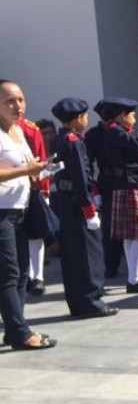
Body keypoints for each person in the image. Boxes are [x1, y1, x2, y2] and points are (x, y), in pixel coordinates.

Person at [0, 80, 55, 349]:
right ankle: (21, 333)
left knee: (22, 272)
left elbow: (26, 166)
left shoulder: (19, 131)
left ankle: (14, 329)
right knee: (9, 273)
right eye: (10, 100)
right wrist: (26, 171)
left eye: (20, 99)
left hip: (19, 208)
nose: (18, 106)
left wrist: (42, 170)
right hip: (1, 212)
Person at [49, 97, 116, 319]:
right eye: (85, 116)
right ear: (77, 119)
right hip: (78, 201)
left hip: (65, 200)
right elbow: (80, 175)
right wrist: (89, 208)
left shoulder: (58, 139)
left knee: (71, 254)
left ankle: (77, 302)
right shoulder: (74, 141)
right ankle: (91, 301)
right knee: (89, 253)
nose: (87, 120)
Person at [100, 97, 138, 294]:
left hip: (130, 183)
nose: (134, 117)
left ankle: (134, 275)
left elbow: (133, 152)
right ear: (121, 115)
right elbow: (137, 143)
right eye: (132, 113)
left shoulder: (117, 131)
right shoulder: (114, 131)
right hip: (129, 186)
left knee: (131, 236)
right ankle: (134, 279)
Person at [19, 116, 50, 297]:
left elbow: (41, 159)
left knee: (35, 234)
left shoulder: (30, 129)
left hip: (30, 188)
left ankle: (36, 277)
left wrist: (44, 191)